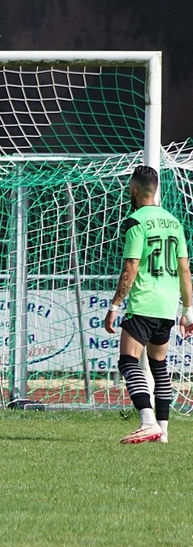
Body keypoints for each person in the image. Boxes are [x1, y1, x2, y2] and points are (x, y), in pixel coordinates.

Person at [104, 166, 193, 444]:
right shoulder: (174, 222)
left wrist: (115, 305)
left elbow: (131, 266)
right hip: (167, 305)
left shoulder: (135, 221)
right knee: (158, 365)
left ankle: (147, 421)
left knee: (128, 361)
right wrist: (188, 311)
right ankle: (163, 432)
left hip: (144, 302)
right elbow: (185, 270)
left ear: (134, 190)